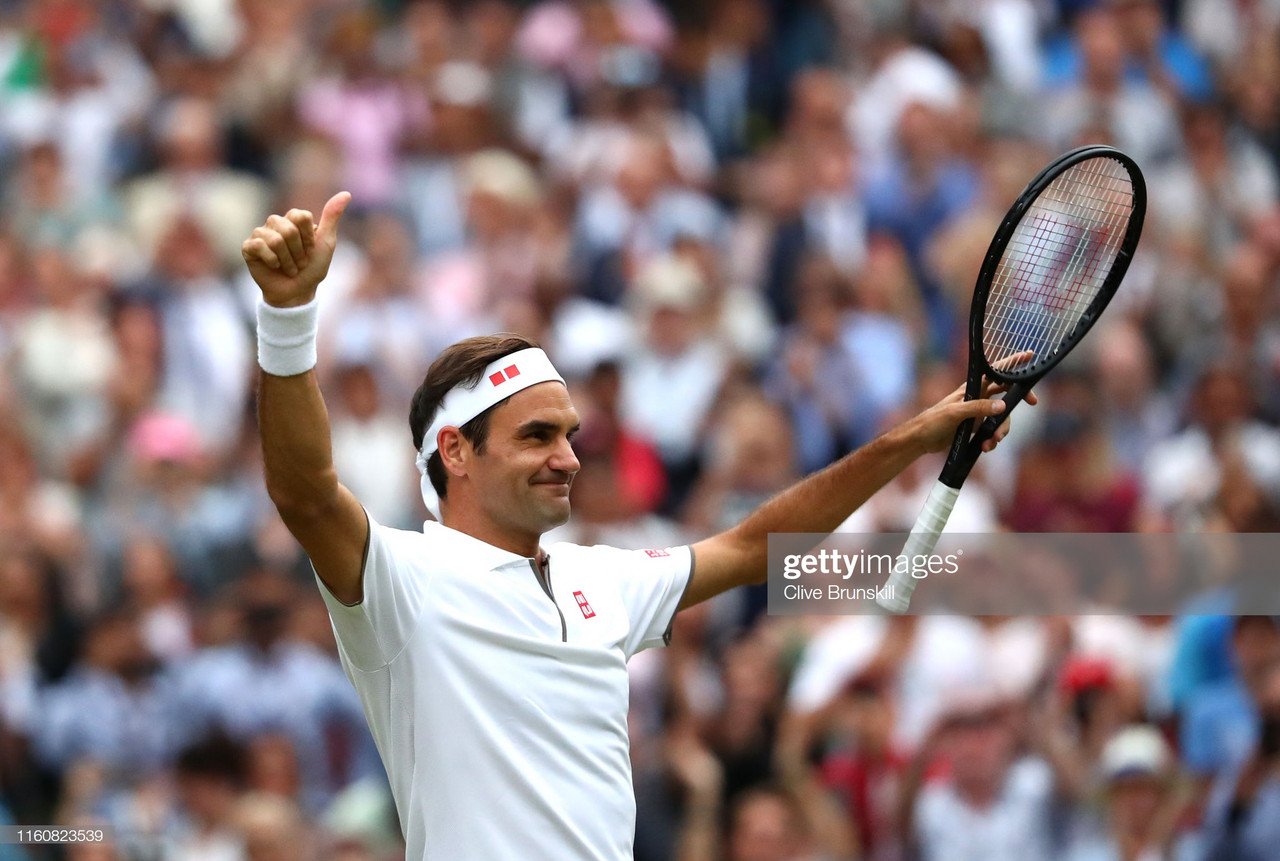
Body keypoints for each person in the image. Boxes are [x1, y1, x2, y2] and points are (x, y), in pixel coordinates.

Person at [240, 191, 1026, 860]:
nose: (569, 458)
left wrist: (913, 438)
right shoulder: (399, 581)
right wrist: (289, 315)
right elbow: (305, 493)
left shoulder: (602, 575)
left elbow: (756, 546)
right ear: (457, 451)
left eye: (570, 435)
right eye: (537, 436)